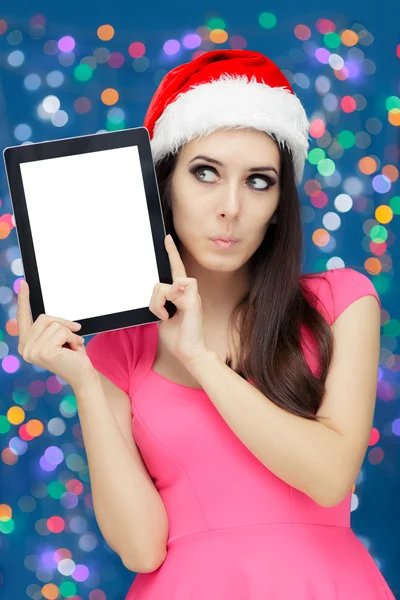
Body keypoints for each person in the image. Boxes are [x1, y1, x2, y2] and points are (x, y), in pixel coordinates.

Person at [17, 50, 395, 599]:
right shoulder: (116, 354)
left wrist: (198, 358)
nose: (231, 207)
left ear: (278, 203)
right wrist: (83, 383)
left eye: (259, 182)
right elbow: (142, 547)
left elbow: (329, 475)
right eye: (205, 173)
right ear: (164, 185)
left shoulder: (342, 301)